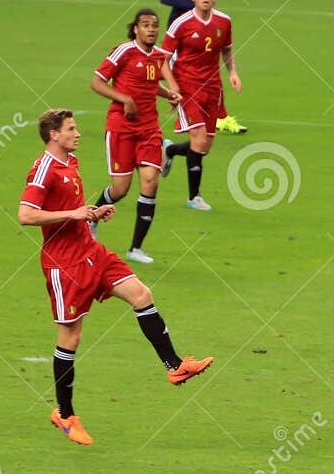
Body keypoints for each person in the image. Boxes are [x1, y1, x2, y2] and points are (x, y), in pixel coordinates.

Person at [19, 110, 214, 446]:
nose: (78, 133)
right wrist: (73, 213)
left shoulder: (71, 163)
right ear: (54, 134)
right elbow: (25, 214)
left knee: (141, 294)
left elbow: (74, 212)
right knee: (71, 337)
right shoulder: (44, 169)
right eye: (71, 129)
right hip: (63, 264)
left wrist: (92, 213)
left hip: (91, 251)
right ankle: (65, 414)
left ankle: (175, 366)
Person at [89, 9, 181, 265]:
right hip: (121, 128)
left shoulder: (158, 56)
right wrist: (124, 99)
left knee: (150, 182)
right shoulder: (124, 51)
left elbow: (151, 86)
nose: (151, 29)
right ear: (136, 29)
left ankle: (135, 249)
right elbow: (96, 82)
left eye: (155, 25)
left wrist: (169, 95)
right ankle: (91, 219)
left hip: (149, 129)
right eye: (146, 25)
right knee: (120, 189)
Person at [159, 0, 241, 211]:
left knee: (205, 146)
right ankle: (193, 197)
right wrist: (173, 87)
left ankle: (170, 150)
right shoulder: (181, 24)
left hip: (213, 87)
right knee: (198, 138)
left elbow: (226, 50)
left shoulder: (224, 21)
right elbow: (163, 59)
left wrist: (233, 72)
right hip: (188, 86)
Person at [159, 0, 246, 135]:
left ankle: (219, 117)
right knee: (180, 73)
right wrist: (194, 6)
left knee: (210, 69)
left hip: (201, 25)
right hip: (184, 28)